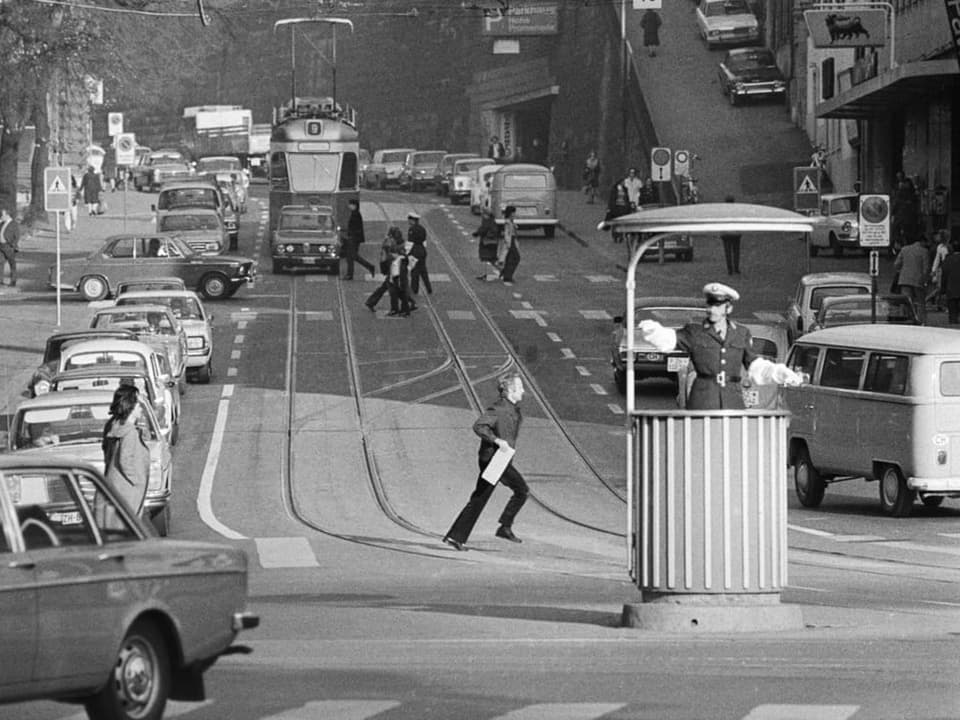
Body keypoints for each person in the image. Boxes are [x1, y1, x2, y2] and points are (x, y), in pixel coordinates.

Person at [639, 283, 803, 410]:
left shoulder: (741, 333)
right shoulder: (695, 332)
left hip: (733, 401)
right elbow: (671, 339)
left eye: (717, 305)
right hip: (702, 401)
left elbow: (754, 364)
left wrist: (779, 373)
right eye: (710, 305)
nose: (712, 309)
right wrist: (655, 331)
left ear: (728, 308)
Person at [443, 372, 529, 550]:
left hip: (502, 460)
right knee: (515, 491)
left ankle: (501, 528)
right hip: (494, 460)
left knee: (504, 493)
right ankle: (459, 536)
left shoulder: (511, 408)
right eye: (520, 387)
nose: (523, 391)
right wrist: (497, 440)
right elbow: (479, 425)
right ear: (511, 390)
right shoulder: (499, 408)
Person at [101, 384, 150, 516]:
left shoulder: (113, 426)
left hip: (115, 488)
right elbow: (125, 460)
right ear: (131, 406)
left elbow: (107, 453)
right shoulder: (130, 433)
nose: (141, 408)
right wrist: (137, 482)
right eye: (138, 404)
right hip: (127, 491)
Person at [893, 234, 930, 325]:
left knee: (907, 301)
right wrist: (925, 280)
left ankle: (907, 320)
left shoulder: (904, 249)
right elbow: (926, 268)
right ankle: (922, 321)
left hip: (904, 279)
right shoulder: (924, 251)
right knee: (921, 302)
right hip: (918, 280)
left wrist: (901, 271)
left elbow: (896, 264)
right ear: (922, 242)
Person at [366, 226, 404, 311]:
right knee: (392, 287)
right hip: (391, 266)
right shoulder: (389, 243)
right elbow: (386, 256)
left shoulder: (389, 241)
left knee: (387, 286)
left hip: (391, 266)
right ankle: (407, 303)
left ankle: (371, 302)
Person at [342, 198, 375, 280]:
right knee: (354, 256)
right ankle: (369, 267)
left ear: (354, 205)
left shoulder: (356, 214)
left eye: (350, 204)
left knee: (350, 256)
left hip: (354, 238)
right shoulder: (355, 213)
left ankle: (350, 275)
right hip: (354, 238)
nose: (349, 206)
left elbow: (355, 228)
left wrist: (349, 233)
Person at [407, 212, 432, 295]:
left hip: (415, 252)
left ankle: (415, 289)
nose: (408, 222)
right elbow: (424, 242)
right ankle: (429, 288)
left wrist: (406, 253)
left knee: (414, 271)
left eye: (409, 220)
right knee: (423, 270)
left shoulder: (412, 229)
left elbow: (410, 243)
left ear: (412, 220)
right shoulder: (422, 228)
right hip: (422, 251)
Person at [473, 207, 500, 280]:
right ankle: (501, 270)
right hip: (493, 242)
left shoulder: (486, 220)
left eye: (483, 213)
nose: (482, 215)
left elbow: (483, 229)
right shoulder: (492, 220)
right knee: (492, 259)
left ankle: (484, 274)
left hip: (486, 242)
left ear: (485, 214)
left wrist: (476, 233)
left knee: (484, 257)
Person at [927, 229, 950, 311]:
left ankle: (938, 304)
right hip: (942, 270)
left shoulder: (943, 247)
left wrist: (933, 270)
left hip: (943, 269)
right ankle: (930, 301)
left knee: (941, 288)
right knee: (940, 288)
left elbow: (937, 259)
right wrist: (933, 270)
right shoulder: (941, 247)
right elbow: (937, 259)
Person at [606, 179, 633, 243]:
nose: (624, 183)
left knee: (621, 222)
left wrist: (628, 206)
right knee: (615, 222)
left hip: (623, 207)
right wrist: (609, 207)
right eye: (623, 182)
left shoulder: (625, 189)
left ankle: (621, 236)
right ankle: (615, 235)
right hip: (616, 207)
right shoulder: (614, 189)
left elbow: (627, 198)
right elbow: (611, 198)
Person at [940, 239, 960, 324]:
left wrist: (943, 289)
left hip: (951, 288)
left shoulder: (948, 260)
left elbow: (944, 275)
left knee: (952, 312)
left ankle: (953, 325)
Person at [498, 205, 520, 284]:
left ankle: (507, 274)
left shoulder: (511, 221)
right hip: (510, 242)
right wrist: (508, 244)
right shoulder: (508, 222)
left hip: (512, 241)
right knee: (516, 258)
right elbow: (507, 234)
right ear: (510, 213)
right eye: (513, 212)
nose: (514, 214)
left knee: (510, 258)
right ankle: (507, 275)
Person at [720, 195, 741, 275]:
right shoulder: (737, 211)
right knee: (736, 251)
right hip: (736, 233)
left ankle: (730, 269)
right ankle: (736, 268)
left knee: (728, 252)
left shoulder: (723, 212)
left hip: (726, 234)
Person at [0, 207, 20, 287]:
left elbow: (17, 236)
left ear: (7, 215)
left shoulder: (14, 224)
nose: (1, 216)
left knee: (12, 264)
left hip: (9, 246)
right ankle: (0, 281)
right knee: (0, 263)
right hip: (1, 246)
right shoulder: (1, 223)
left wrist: (13, 245)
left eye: (2, 215)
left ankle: (13, 281)